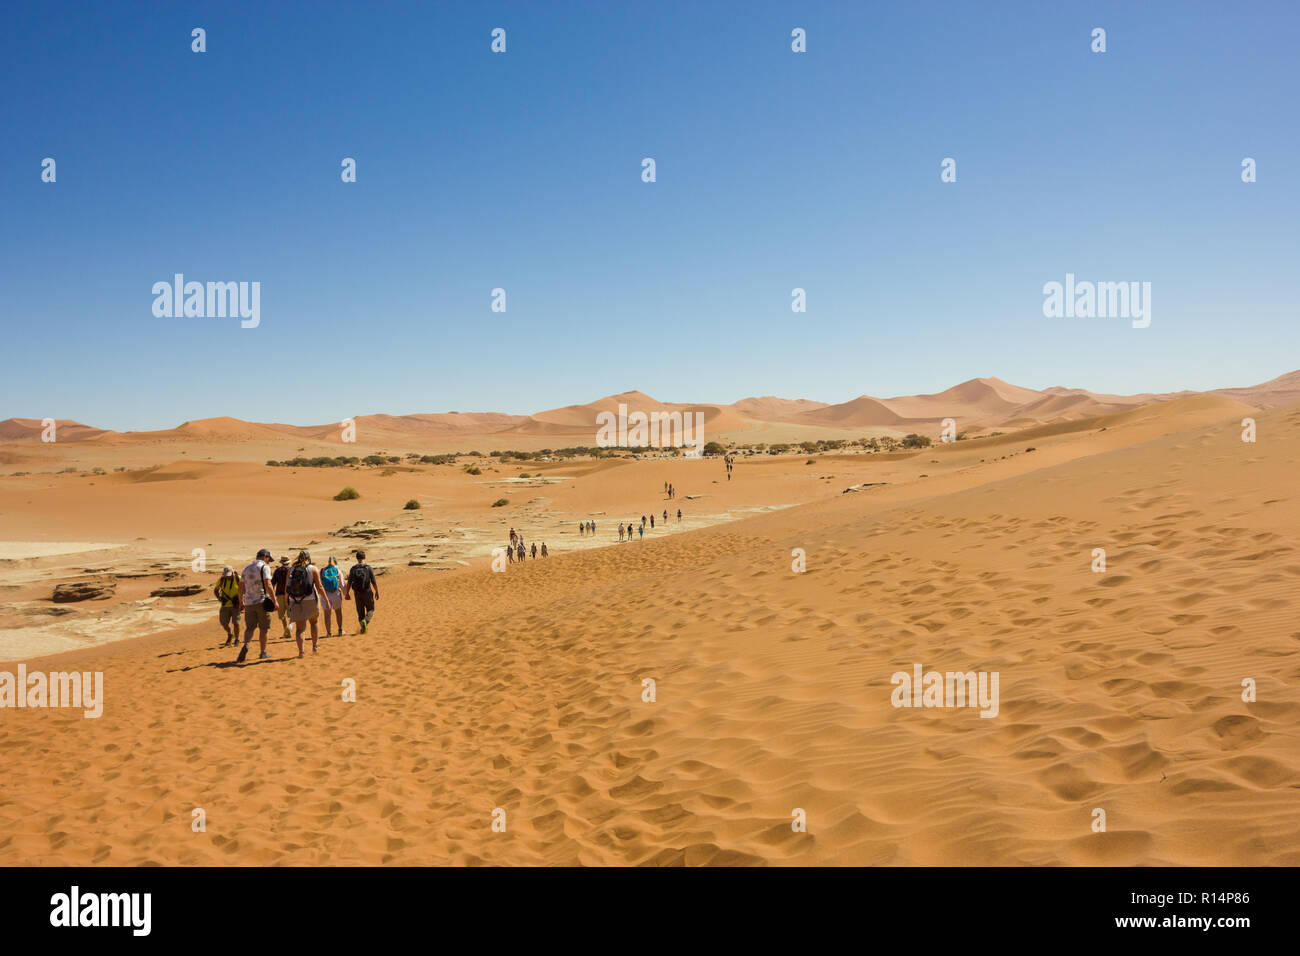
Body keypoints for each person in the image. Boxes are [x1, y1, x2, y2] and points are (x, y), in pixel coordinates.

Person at [236, 548, 277, 663]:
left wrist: (241, 602)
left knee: (249, 628)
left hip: (249, 603)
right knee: (264, 628)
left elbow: (241, 588)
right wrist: (275, 600)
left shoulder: (246, 569)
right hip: (262, 602)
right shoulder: (264, 567)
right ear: (265, 556)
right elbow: (268, 584)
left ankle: (246, 644)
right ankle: (263, 652)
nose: (269, 561)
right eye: (269, 559)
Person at [343, 549, 379, 634]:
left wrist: (347, 593)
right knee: (370, 609)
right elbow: (373, 581)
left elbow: (349, 582)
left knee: (360, 612)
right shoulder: (368, 568)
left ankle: (363, 629)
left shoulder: (353, 569)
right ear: (365, 557)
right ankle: (365, 622)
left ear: (357, 558)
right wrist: (377, 591)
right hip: (367, 591)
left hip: (357, 593)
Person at [214, 565, 242, 646]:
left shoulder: (238, 578)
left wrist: (241, 600)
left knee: (236, 623)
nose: (228, 577)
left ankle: (237, 639)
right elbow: (216, 590)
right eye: (226, 575)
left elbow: (244, 589)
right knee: (224, 623)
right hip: (225, 605)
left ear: (233, 573)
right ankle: (230, 633)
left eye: (229, 575)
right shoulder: (222, 579)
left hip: (236, 605)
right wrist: (219, 598)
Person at [320, 555, 345, 637]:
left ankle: (328, 633)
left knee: (327, 614)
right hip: (336, 594)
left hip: (325, 595)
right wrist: (346, 594)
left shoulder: (323, 570)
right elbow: (341, 584)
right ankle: (340, 630)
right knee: (338, 612)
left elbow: (319, 584)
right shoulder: (337, 570)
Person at [271, 555, 292, 639]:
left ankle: (285, 631)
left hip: (279, 594)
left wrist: (271, 596)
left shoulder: (277, 571)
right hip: (290, 594)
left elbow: (272, 583)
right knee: (292, 614)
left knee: (282, 615)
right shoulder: (291, 570)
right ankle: (289, 629)